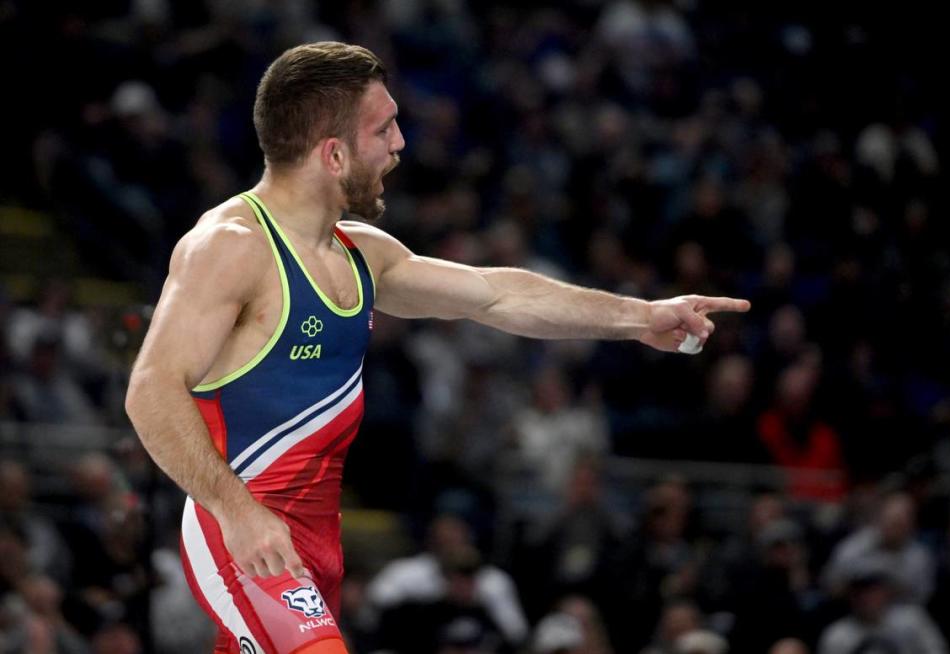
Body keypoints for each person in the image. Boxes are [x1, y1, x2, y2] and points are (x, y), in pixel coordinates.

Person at [124, 41, 750, 654]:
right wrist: (237, 512)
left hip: (313, 540)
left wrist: (640, 316)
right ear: (335, 153)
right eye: (386, 128)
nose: (399, 144)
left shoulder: (359, 253)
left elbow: (495, 296)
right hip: (240, 532)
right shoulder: (231, 246)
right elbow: (150, 392)